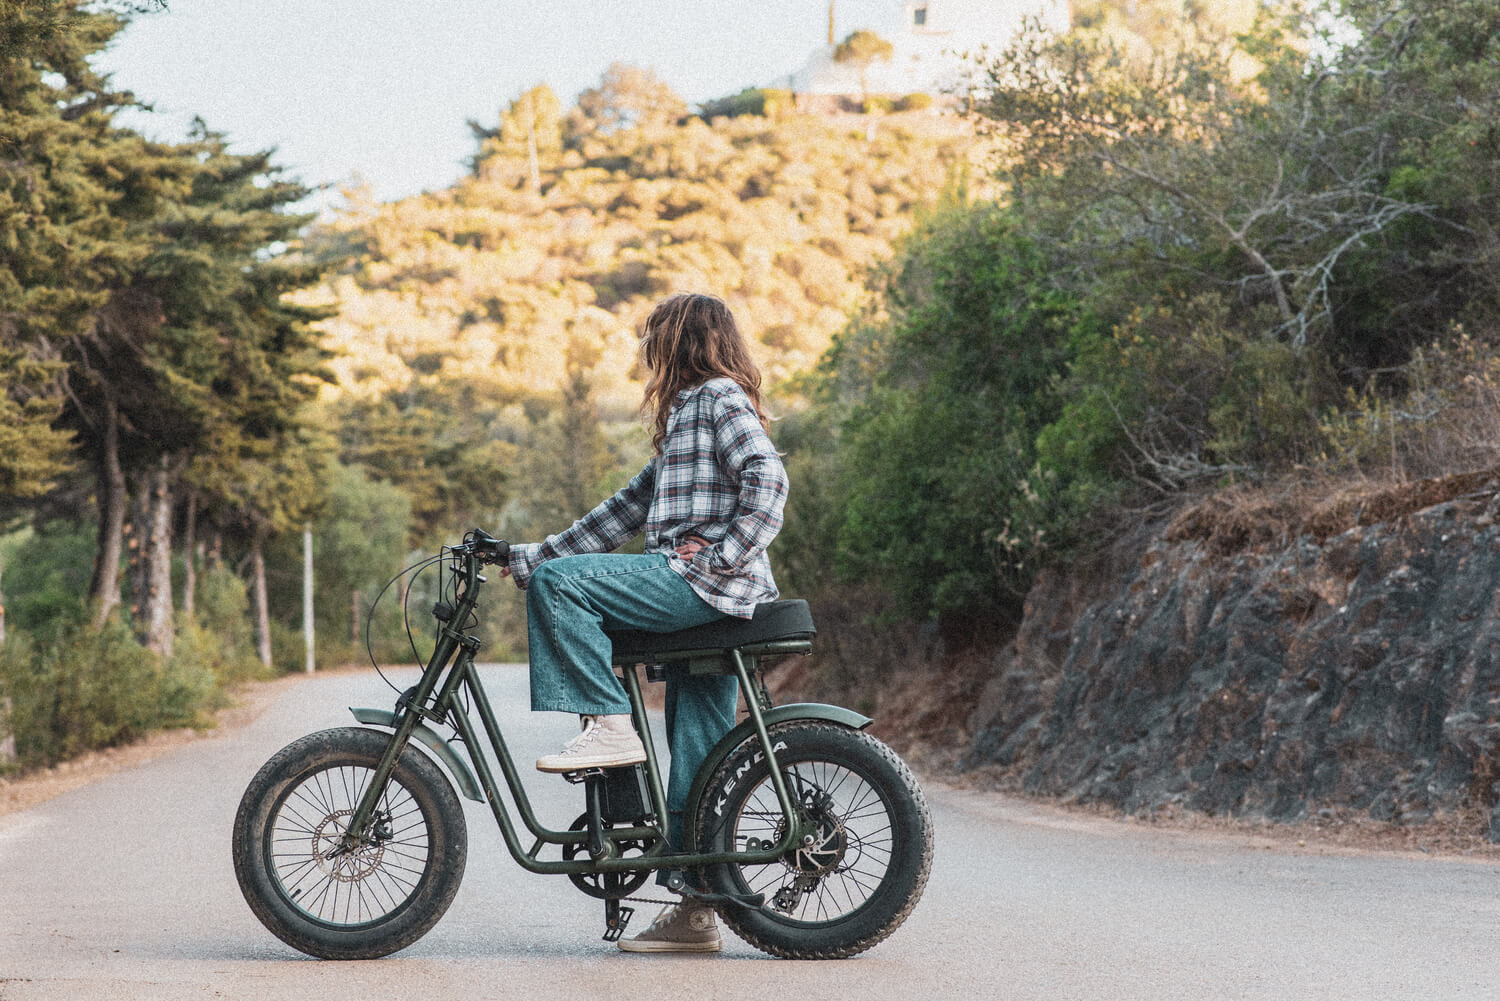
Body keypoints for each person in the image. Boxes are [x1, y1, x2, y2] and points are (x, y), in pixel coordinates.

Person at [501, 292, 788, 953]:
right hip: (708, 598)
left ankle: (606, 723)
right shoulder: (690, 415)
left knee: (560, 588)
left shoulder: (716, 397)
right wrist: (520, 557)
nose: (648, 352)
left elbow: (769, 483)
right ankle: (696, 913)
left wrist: (719, 558)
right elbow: (616, 515)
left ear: (686, 341)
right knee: (700, 759)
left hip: (703, 587)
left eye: (655, 338)